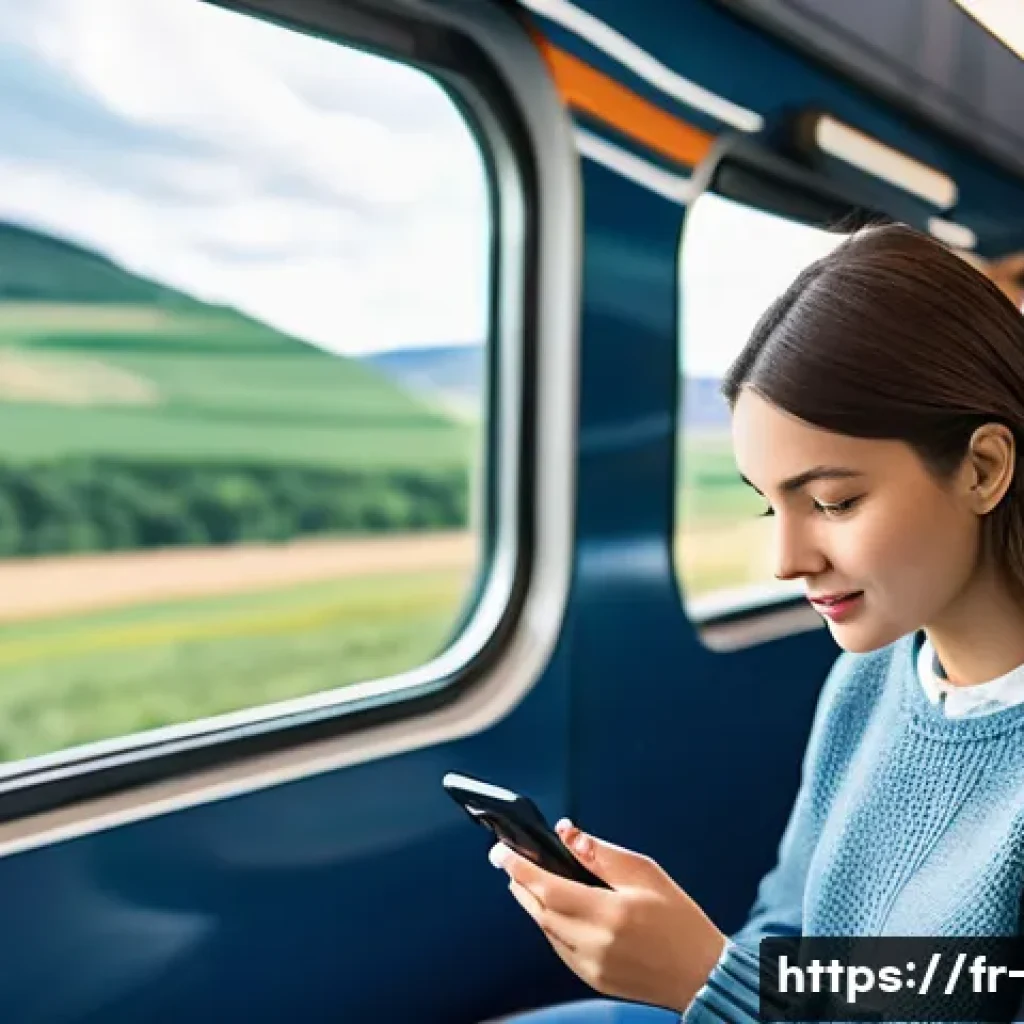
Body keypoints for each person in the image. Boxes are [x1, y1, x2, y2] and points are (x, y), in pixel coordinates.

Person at [489, 223, 1024, 1022]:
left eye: (834, 502)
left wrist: (710, 981)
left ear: (983, 469)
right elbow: (799, 934)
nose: (787, 558)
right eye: (768, 503)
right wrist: (701, 959)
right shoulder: (869, 679)